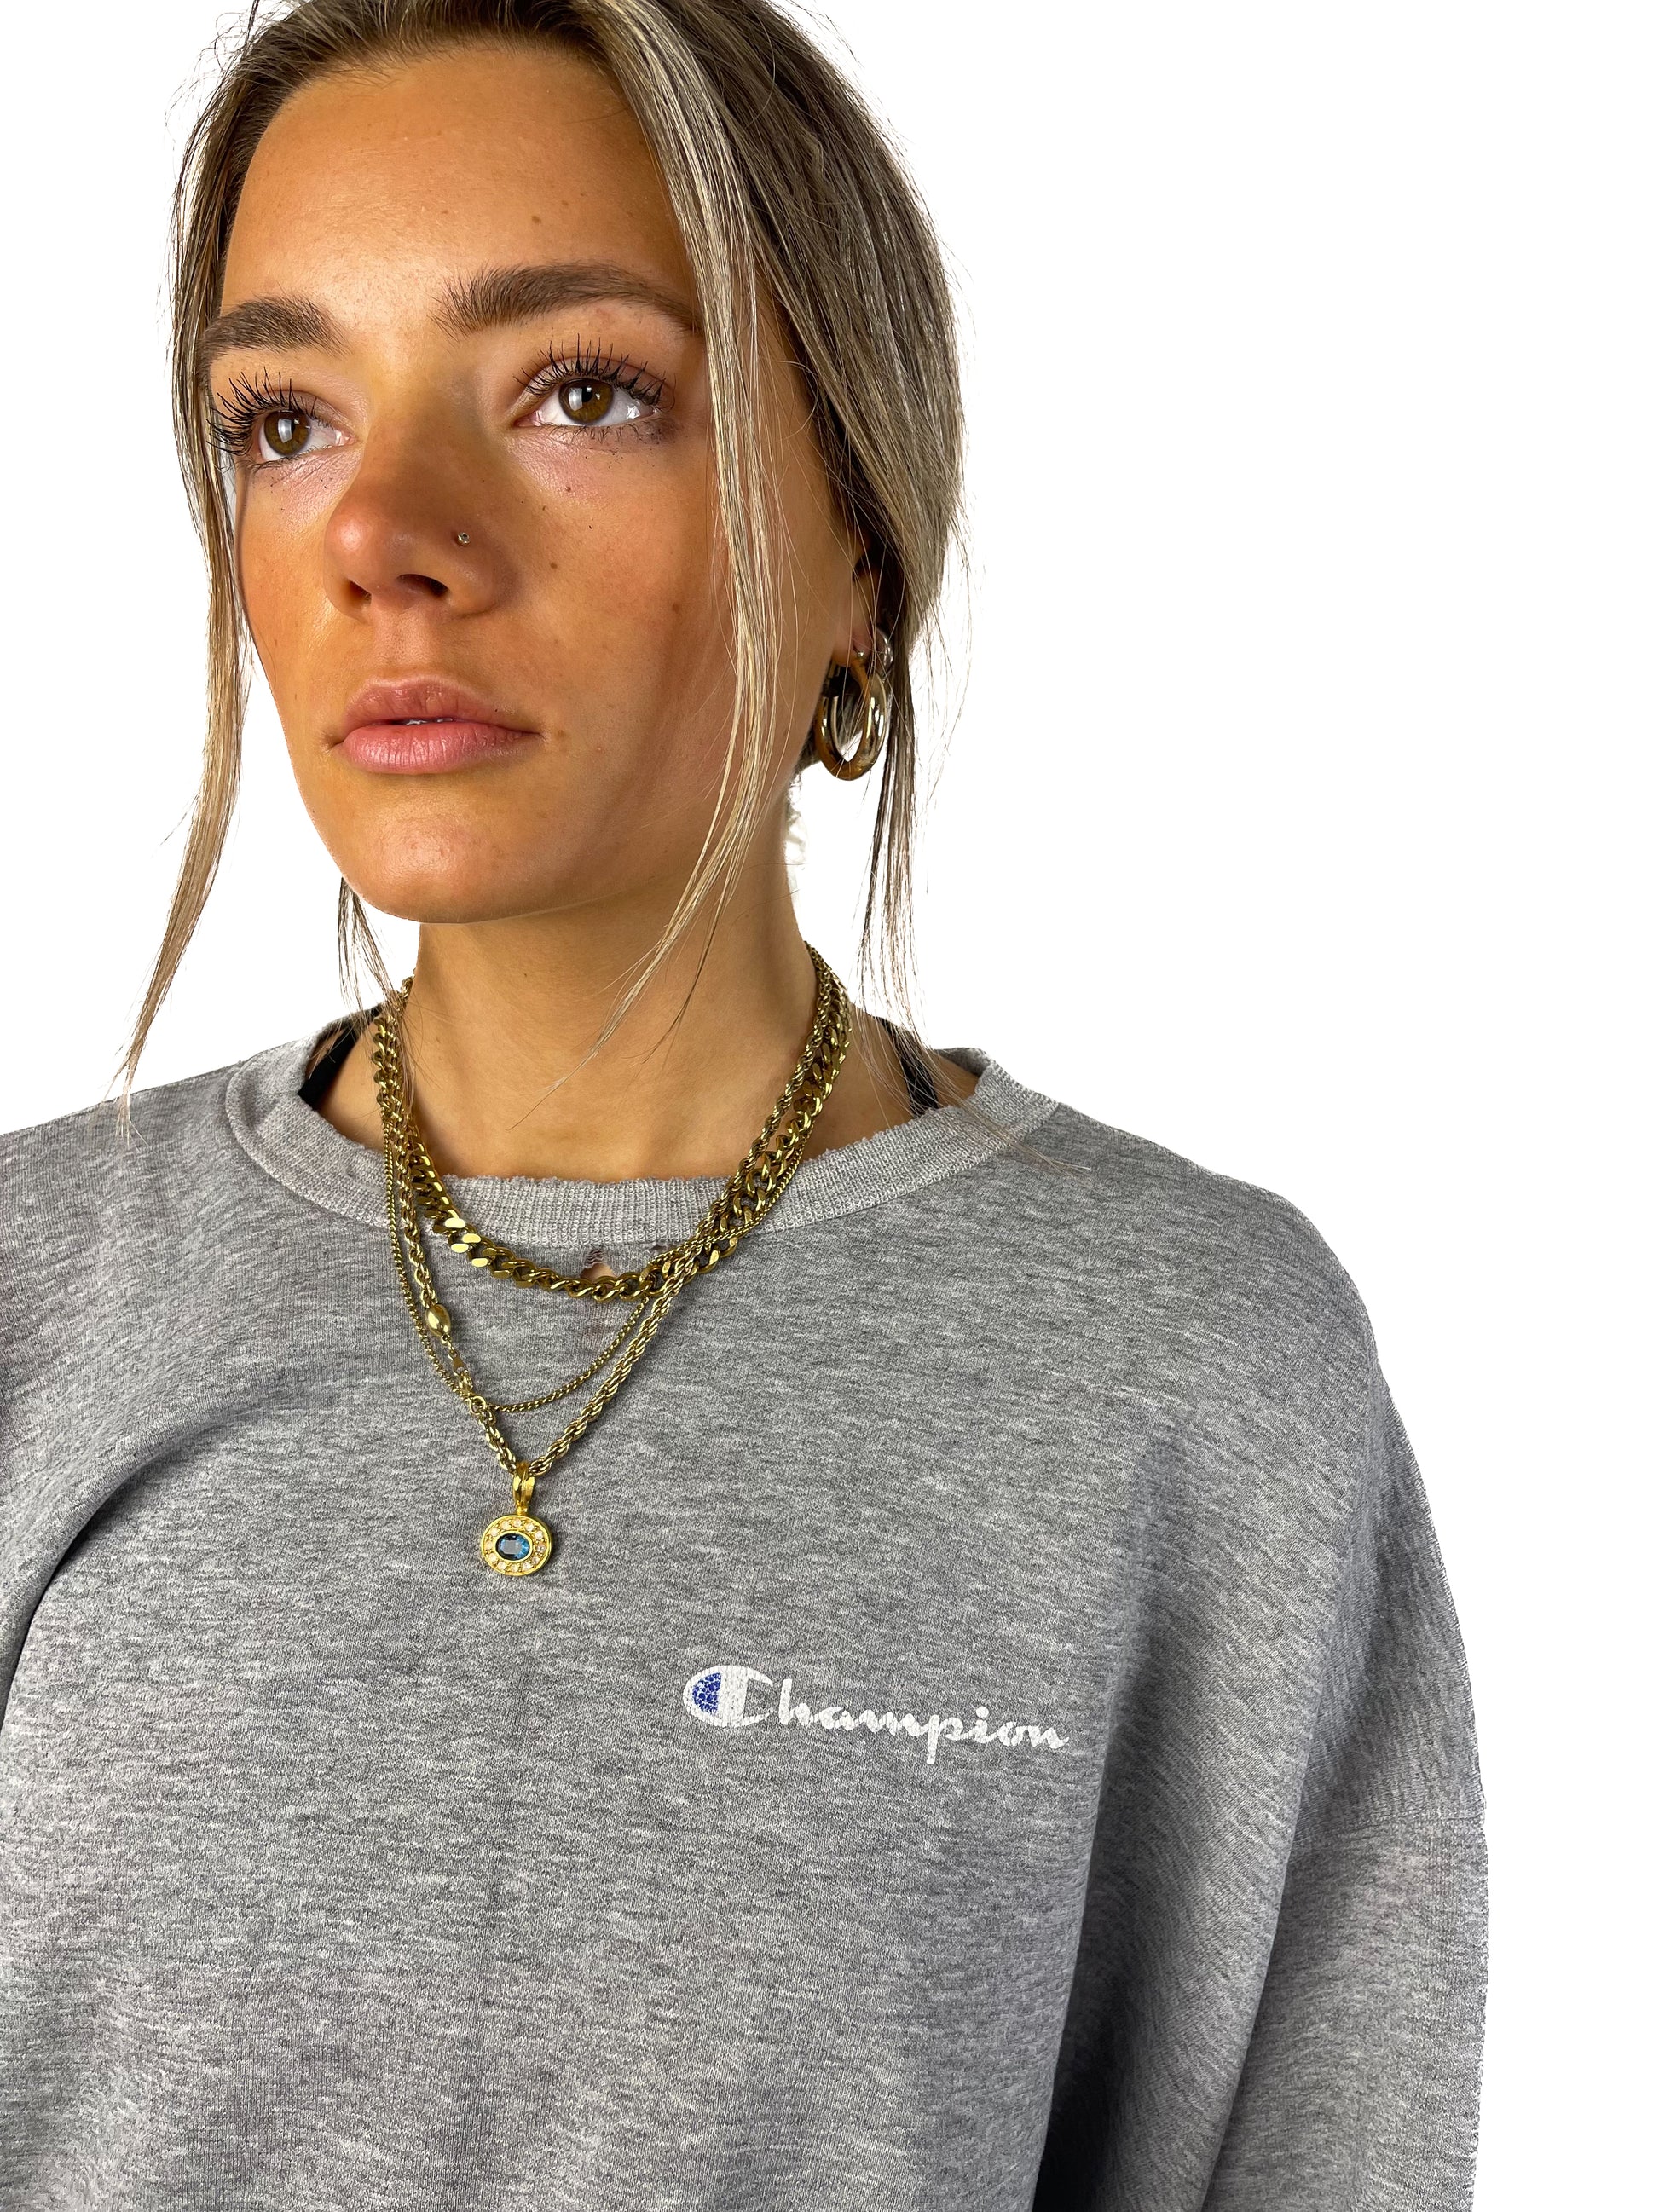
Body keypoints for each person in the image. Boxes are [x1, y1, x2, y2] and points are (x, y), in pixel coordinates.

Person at [0, 2, 1487, 2205]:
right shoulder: (35, 1292)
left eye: (581, 390)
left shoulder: (1184, 1369)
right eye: (285, 420)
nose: (381, 534)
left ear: (861, 537)